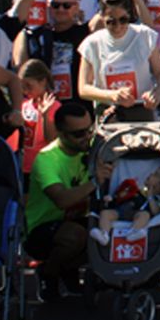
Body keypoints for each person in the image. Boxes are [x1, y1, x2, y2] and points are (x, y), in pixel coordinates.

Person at [25, 102, 104, 301]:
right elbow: (61, 199)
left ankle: (69, 271)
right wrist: (95, 182)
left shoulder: (91, 150)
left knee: (110, 231)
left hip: (76, 220)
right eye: (78, 134)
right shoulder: (47, 159)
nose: (86, 137)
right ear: (61, 133)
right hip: (42, 228)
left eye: (89, 131)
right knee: (76, 236)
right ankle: (48, 273)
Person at [78, 0, 160, 124]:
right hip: (109, 112)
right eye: (111, 22)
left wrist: (157, 93)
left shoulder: (144, 36)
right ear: (102, 18)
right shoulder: (92, 43)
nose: (118, 26)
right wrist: (112, 95)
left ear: (130, 16)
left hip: (141, 109)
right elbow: (83, 88)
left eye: (123, 20)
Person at [14, 0, 91, 103]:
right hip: (44, 104)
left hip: (78, 104)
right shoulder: (36, 36)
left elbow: (105, 18)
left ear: (76, 7)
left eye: (66, 5)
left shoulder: (85, 32)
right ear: (48, 8)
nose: (61, 9)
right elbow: (20, 66)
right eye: (55, 5)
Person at [88, 164, 160, 247]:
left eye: (156, 175)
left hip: (137, 213)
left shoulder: (158, 199)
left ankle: (134, 232)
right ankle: (104, 235)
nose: (151, 174)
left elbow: (156, 212)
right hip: (122, 210)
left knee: (145, 215)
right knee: (105, 213)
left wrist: (150, 196)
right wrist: (112, 198)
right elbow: (122, 197)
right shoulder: (137, 189)